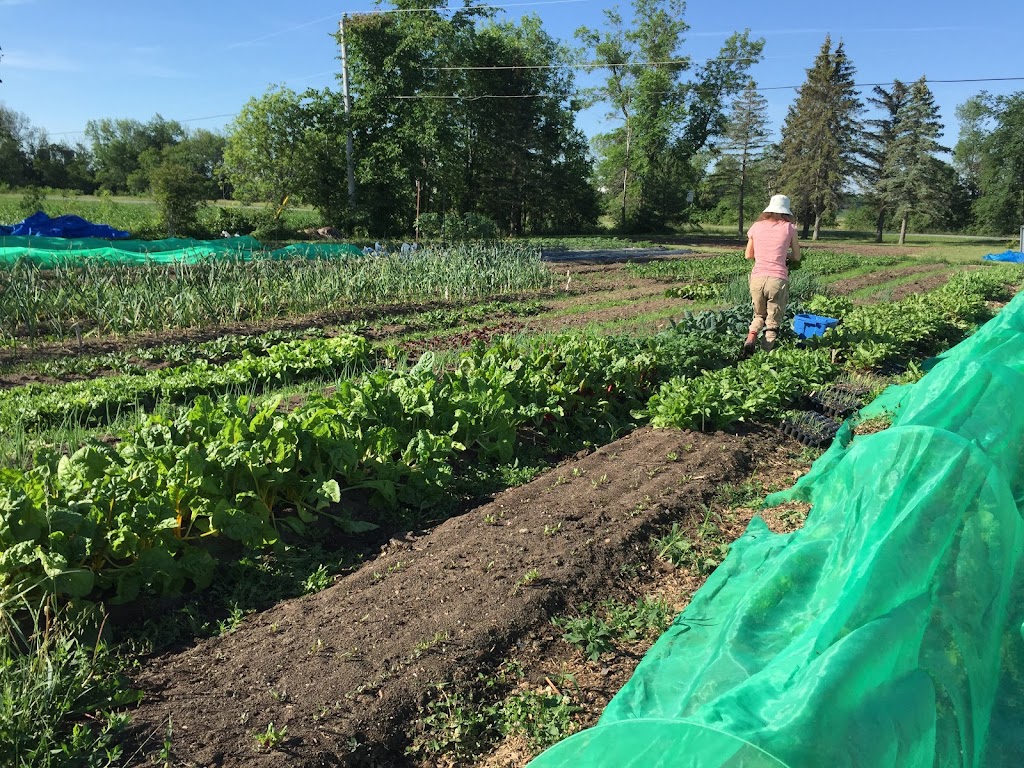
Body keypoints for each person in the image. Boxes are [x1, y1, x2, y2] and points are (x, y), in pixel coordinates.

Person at [742, 194, 801, 356]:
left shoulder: (756, 226)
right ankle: (765, 355)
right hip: (777, 279)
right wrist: (784, 255)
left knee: (759, 314)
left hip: (757, 278)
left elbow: (748, 255)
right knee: (773, 322)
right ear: (786, 212)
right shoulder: (790, 228)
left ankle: (751, 336)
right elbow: (796, 256)